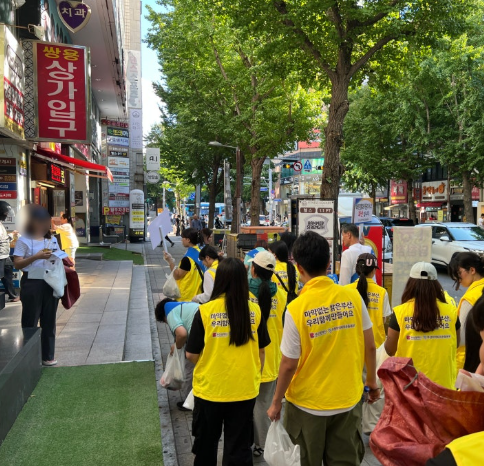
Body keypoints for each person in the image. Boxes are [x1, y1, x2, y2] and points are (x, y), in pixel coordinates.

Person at [267, 231, 379, 466]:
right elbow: (370, 346)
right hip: (347, 401)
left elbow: (288, 364)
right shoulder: (353, 297)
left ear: (298, 267)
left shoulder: (297, 308)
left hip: (306, 406)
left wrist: (276, 401)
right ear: (329, 263)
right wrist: (371, 382)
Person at [186, 258, 271, 466]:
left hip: (210, 390)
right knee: (239, 449)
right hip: (244, 390)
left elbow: (191, 354)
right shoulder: (254, 311)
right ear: (243, 280)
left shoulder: (205, 311)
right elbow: (261, 351)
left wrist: (210, 362)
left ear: (220, 280)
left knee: (205, 447)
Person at [385, 262, 460, 389]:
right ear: (436, 284)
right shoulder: (451, 312)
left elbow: (390, 350)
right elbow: (455, 344)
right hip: (444, 386)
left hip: (410, 386)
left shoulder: (400, 313)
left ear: (411, 284)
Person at [13, 205, 65, 366]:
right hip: (32, 282)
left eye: (45, 222)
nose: (43, 225)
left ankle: (48, 356)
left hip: (50, 280)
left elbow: (58, 257)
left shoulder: (52, 239)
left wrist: (57, 256)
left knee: (49, 320)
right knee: (30, 319)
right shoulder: (23, 240)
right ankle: (28, 357)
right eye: (39, 222)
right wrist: (36, 257)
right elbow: (18, 264)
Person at [247, 250, 286, 457]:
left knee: (249, 404)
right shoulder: (281, 294)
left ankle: (254, 442)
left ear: (253, 270)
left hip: (248, 357)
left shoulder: (244, 294)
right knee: (265, 403)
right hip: (272, 358)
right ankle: (262, 443)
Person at [155, 298, 200, 411]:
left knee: (189, 366)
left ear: (163, 317)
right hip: (208, 333)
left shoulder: (169, 311)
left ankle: (191, 402)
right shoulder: (184, 306)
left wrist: (177, 346)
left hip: (199, 334)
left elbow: (182, 334)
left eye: (165, 322)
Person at [448, 252, 484, 371]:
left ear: (472, 270)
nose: (457, 278)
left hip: (469, 360)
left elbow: (462, 338)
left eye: (459, 273)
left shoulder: (470, 298)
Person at [347, 253, 391, 348]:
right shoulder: (381, 292)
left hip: (353, 344)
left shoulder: (346, 290)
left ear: (357, 269)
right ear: (374, 270)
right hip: (376, 344)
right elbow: (383, 319)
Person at [164, 228, 205, 302]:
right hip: (198, 294)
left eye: (183, 238)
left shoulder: (187, 259)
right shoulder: (200, 252)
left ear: (188, 240)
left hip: (186, 297)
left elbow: (177, 276)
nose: (181, 240)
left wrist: (170, 261)